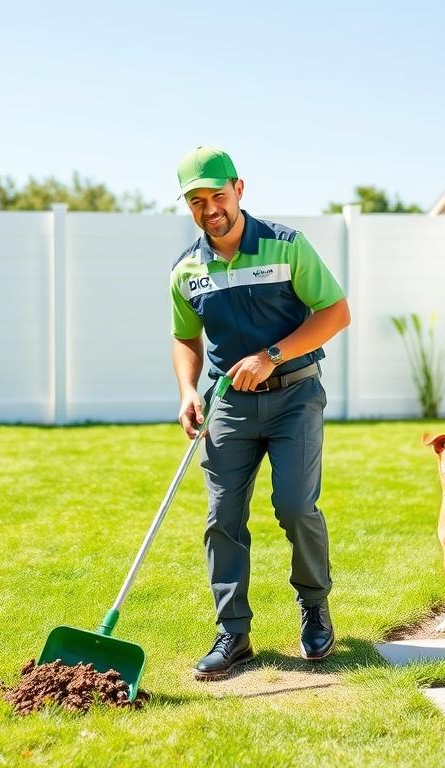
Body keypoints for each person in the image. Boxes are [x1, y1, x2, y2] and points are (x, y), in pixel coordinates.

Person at [169, 146, 351, 680]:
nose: (210, 209)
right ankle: (234, 632)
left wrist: (271, 355)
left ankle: (315, 607)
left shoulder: (287, 246)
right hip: (228, 407)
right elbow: (185, 337)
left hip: (295, 395)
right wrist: (187, 390)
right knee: (222, 518)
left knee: (295, 507)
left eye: (218, 196)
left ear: (239, 189)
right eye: (197, 201)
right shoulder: (186, 271)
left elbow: (336, 312)